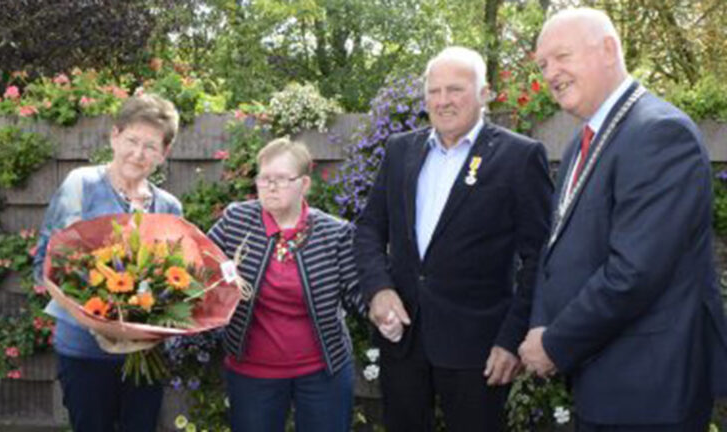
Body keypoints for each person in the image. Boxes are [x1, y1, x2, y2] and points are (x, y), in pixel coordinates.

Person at [519, 8, 727, 431]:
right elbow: (556, 243)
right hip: (602, 376)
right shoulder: (582, 141)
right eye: (543, 64)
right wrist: (541, 322)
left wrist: (555, 344)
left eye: (562, 56)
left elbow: (634, 272)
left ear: (609, 49)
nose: (550, 73)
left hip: (651, 387)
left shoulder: (659, 133)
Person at [355, 46, 553, 431]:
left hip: (478, 348)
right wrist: (378, 289)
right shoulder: (400, 151)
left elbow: (541, 257)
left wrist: (512, 339)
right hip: (404, 341)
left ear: (484, 93)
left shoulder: (519, 157)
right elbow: (369, 229)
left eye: (456, 89)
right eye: (434, 91)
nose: (443, 101)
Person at [33, 93, 182, 432]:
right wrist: (97, 323)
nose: (138, 153)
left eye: (151, 146)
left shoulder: (169, 207)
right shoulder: (81, 185)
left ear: (164, 152)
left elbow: (177, 284)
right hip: (84, 352)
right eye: (132, 140)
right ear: (114, 135)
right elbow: (46, 265)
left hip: (146, 357)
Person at [206, 137, 366, 432]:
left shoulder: (335, 233)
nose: (271, 186)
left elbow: (360, 294)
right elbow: (201, 264)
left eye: (281, 178)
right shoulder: (236, 221)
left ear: (304, 184)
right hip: (252, 372)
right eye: (264, 178)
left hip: (322, 371)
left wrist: (387, 307)